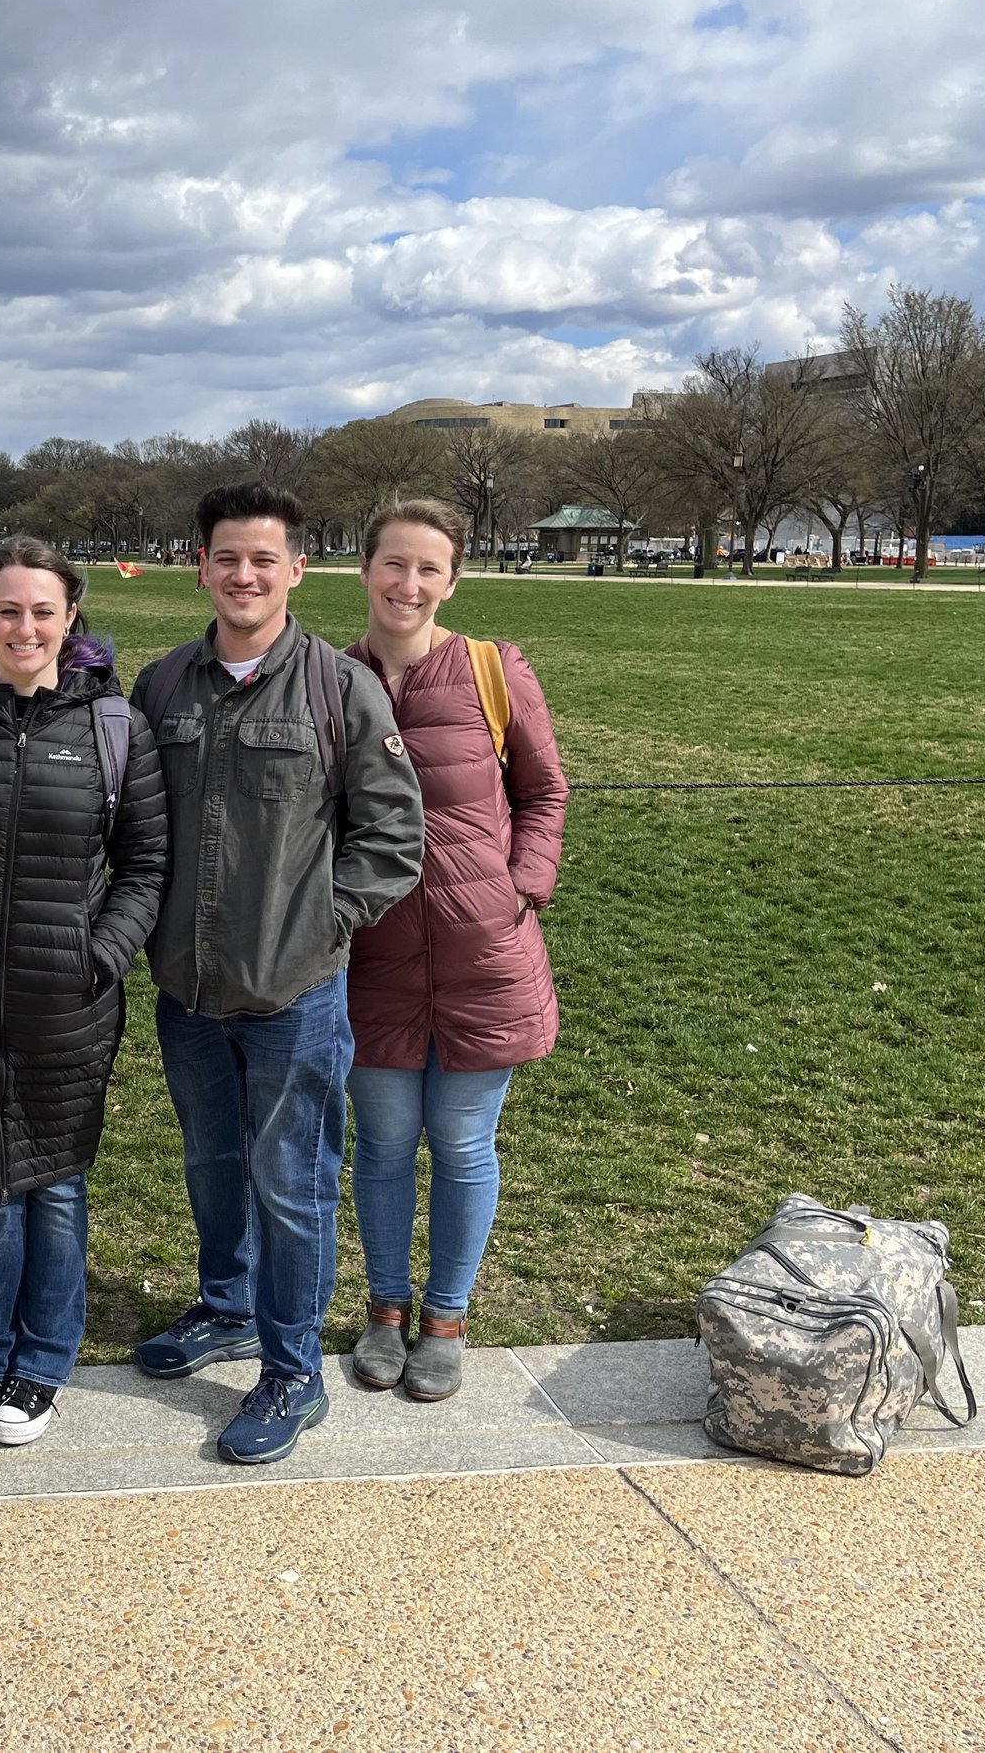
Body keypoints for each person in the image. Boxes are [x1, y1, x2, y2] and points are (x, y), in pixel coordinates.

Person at [128, 482, 423, 1465]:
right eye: (226, 557)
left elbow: (391, 838)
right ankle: (227, 1308)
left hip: (295, 993)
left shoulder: (341, 691)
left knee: (290, 1181)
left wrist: (323, 925)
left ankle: (293, 1367)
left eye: (264, 558)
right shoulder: (162, 687)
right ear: (201, 568)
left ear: (297, 569)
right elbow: (137, 829)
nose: (244, 575)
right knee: (212, 1165)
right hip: (188, 989)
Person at [0, 539, 167, 1447]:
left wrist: (99, 955)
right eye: (8, 610)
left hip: (69, 998)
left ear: (70, 619)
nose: (25, 626)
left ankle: (42, 1361)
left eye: (42, 611)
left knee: (55, 1185)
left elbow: (146, 864)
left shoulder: (115, 729)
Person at [344, 499, 568, 1403]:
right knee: (386, 1142)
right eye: (394, 564)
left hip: (486, 954)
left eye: (429, 568)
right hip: (371, 956)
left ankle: (447, 1315)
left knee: (465, 1142)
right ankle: (386, 1309)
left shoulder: (491, 669)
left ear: (452, 579)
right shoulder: (331, 676)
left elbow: (545, 791)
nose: (409, 584)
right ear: (364, 570)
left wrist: (520, 886)